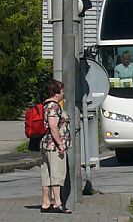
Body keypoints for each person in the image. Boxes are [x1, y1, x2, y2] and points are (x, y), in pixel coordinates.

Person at [40, 79, 71, 214]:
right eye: (62, 91)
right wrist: (60, 144)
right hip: (53, 145)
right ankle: (58, 203)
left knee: (46, 173)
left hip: (45, 143)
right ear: (56, 93)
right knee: (57, 174)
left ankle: (46, 203)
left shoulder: (45, 105)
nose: (63, 93)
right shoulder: (54, 106)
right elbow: (53, 127)